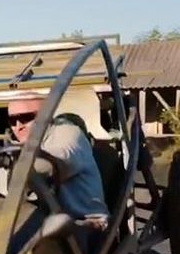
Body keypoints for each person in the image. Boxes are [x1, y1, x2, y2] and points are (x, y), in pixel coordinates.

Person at [6, 95, 110, 232]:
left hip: (85, 225)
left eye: (25, 118)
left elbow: (49, 167)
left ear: (46, 116)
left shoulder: (67, 133)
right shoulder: (22, 147)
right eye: (12, 121)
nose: (18, 127)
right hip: (48, 222)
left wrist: (16, 165)